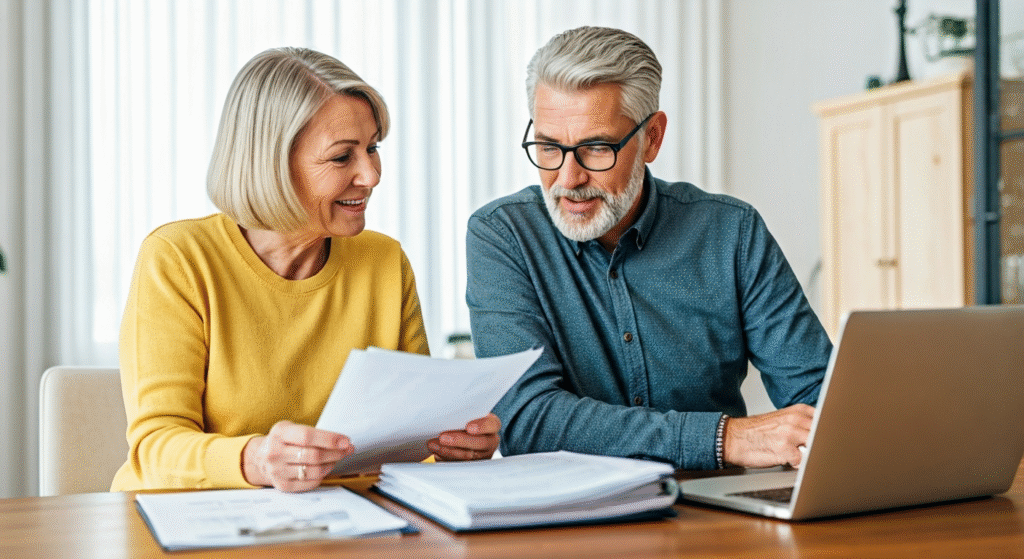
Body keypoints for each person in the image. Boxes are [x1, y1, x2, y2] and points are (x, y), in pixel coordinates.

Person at [111, 47, 499, 493]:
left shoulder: (385, 262)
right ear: (272, 164)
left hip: (345, 525)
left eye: (372, 148)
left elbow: (412, 442)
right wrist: (256, 461)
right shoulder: (178, 259)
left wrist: (453, 446)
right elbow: (156, 447)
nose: (371, 174)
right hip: (186, 525)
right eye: (342, 157)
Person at [466, 27, 832, 471]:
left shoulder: (732, 232)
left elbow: (822, 404)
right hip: (572, 524)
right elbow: (528, 420)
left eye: (596, 148)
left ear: (652, 138)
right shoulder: (503, 236)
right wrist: (720, 438)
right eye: (548, 147)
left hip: (716, 517)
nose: (567, 179)